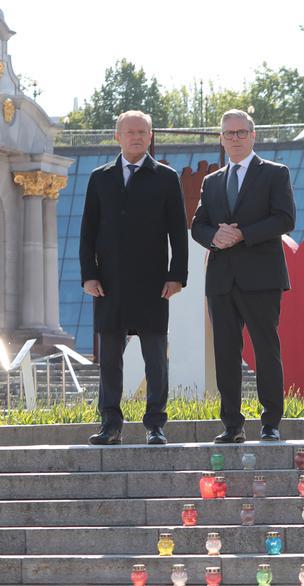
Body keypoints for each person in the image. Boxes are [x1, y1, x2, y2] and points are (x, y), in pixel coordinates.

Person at [79, 110, 188, 446]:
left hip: (153, 283)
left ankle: (155, 425)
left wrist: (177, 275)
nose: (137, 137)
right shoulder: (100, 178)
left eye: (143, 132)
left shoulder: (166, 177)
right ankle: (110, 425)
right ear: (118, 136)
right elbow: (87, 232)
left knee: (155, 358)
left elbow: (178, 232)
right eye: (131, 132)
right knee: (110, 360)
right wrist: (88, 275)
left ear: (151, 136)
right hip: (109, 284)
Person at [191, 110, 295, 443]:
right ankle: (232, 425)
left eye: (240, 132)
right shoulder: (212, 181)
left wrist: (243, 234)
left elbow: (285, 219)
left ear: (253, 135)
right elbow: (198, 225)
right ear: (221, 139)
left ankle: (271, 423)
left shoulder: (275, 173)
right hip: (221, 280)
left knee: (266, 350)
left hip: (261, 277)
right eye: (228, 133)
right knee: (225, 354)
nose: (234, 138)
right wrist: (214, 236)